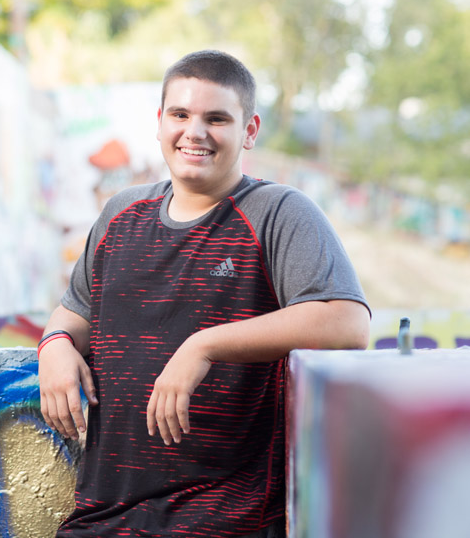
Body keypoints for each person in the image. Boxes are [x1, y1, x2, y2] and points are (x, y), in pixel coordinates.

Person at [38, 50, 370, 538]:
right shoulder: (120, 214)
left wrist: (203, 345)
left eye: (217, 118)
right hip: (102, 515)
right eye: (180, 115)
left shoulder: (277, 213)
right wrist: (55, 346)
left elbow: (347, 322)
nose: (195, 132)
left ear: (249, 130)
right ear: (160, 122)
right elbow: (73, 314)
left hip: (223, 517)